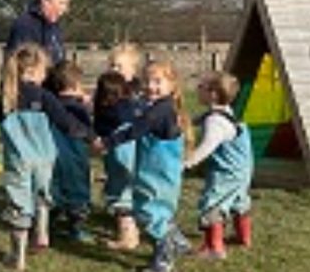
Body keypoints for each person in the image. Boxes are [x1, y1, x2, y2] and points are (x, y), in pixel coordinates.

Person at [0, 44, 99, 270]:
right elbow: (66, 122)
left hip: (19, 159)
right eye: (44, 69)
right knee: (43, 194)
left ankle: (19, 257)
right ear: (35, 71)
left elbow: (2, 127)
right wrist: (91, 137)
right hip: (45, 157)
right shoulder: (45, 96)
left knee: (19, 204)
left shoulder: (7, 96)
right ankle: (42, 233)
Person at [102, 61, 193, 272]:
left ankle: (163, 261)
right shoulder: (157, 104)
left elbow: (138, 127)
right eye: (147, 81)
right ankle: (178, 242)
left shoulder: (161, 110)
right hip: (153, 171)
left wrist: (109, 142)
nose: (151, 86)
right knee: (155, 209)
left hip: (159, 173)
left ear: (172, 85)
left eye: (157, 81)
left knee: (150, 212)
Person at [185, 71, 254, 259]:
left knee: (212, 204)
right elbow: (197, 120)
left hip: (226, 172)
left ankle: (214, 248)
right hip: (242, 170)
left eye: (201, 87)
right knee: (239, 202)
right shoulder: (224, 113)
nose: (197, 90)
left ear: (213, 94)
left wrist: (189, 161)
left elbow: (208, 146)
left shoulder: (215, 122)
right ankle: (244, 237)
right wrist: (186, 123)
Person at [93, 71, 141, 250]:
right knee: (126, 190)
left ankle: (127, 238)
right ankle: (133, 231)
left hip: (118, 155)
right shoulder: (131, 107)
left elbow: (100, 130)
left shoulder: (108, 112)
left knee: (120, 195)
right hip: (130, 155)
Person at [46, 60, 93, 241]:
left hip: (54, 156)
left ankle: (49, 222)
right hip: (76, 155)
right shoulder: (77, 108)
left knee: (54, 187)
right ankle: (76, 227)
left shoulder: (50, 104)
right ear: (75, 85)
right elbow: (87, 129)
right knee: (77, 189)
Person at [4, 0, 73, 64]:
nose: (65, 9)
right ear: (46, 0)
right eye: (61, 3)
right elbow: (23, 69)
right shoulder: (25, 26)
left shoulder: (54, 27)